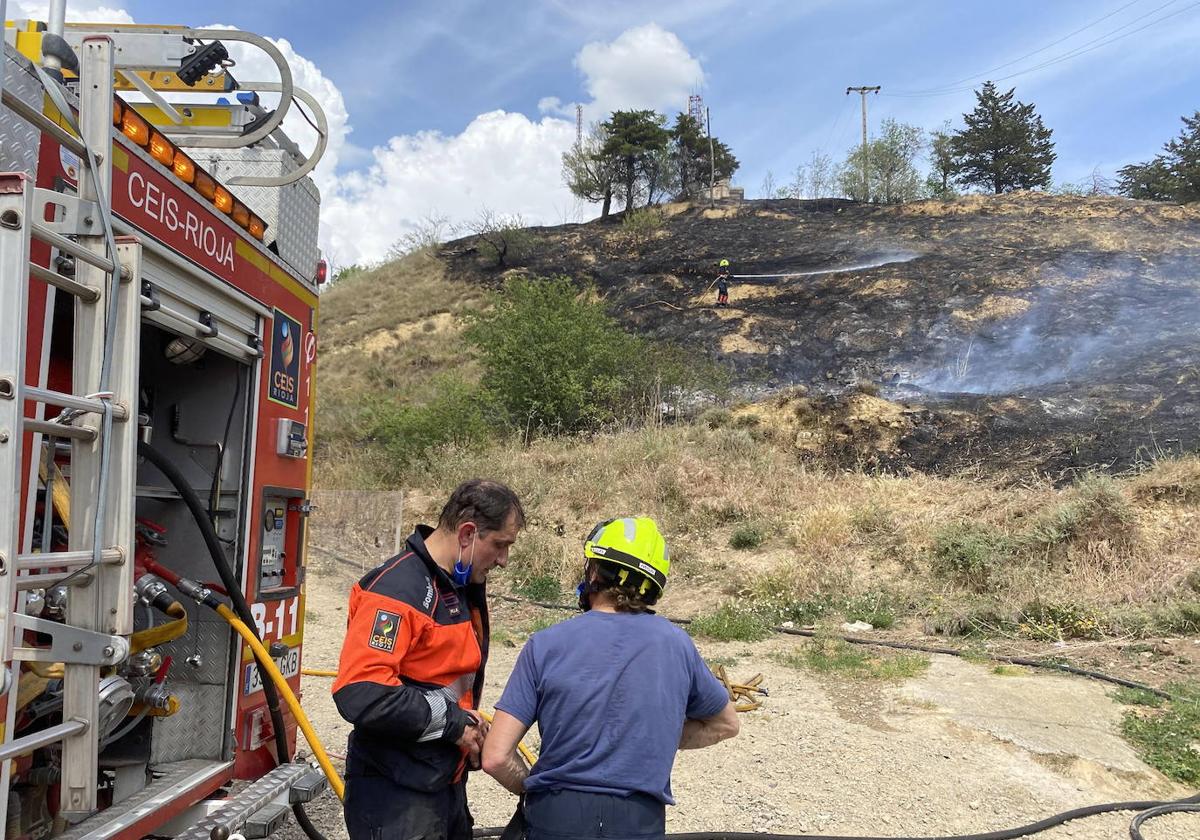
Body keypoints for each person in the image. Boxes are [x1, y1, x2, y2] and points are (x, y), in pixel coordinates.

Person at [481, 517, 739, 840]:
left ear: (593, 572)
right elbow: (726, 724)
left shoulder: (546, 644)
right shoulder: (677, 646)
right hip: (638, 822)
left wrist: (532, 788)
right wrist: (652, 735)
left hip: (554, 817)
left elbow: (495, 756)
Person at [333, 479, 525, 840]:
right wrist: (455, 724)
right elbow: (361, 692)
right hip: (396, 794)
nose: (503, 560)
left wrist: (464, 724)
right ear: (467, 533)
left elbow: (440, 680)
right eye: (500, 545)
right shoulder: (397, 591)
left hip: (441, 782)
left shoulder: (455, 586)